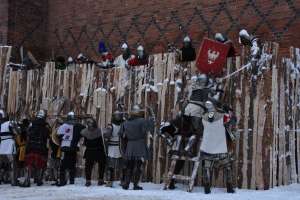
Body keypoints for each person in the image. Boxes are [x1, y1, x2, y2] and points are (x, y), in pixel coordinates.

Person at [200, 101, 236, 194]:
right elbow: (233, 120)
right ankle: (230, 188)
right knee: (227, 167)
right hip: (220, 149)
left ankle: (207, 189)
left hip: (207, 148)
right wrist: (228, 110)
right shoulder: (224, 116)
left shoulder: (203, 117)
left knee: (206, 168)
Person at [119, 105, 154, 190]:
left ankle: (126, 184)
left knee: (129, 166)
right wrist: (151, 114)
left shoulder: (125, 123)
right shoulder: (142, 121)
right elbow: (150, 126)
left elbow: (121, 135)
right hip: (139, 145)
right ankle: (135, 185)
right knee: (138, 166)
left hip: (130, 146)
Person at [22, 110, 51, 187]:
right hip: (41, 147)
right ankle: (39, 180)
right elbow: (48, 136)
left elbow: (27, 134)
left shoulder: (32, 124)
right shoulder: (46, 125)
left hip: (31, 146)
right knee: (40, 164)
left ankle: (27, 181)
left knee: (29, 164)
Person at [56, 111, 85, 186]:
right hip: (73, 148)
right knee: (72, 164)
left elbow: (58, 135)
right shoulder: (78, 126)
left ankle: (62, 180)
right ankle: (71, 181)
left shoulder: (63, 126)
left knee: (63, 165)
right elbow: (84, 132)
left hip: (65, 147)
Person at [80, 118, 106, 187]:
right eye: (89, 123)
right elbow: (84, 142)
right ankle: (88, 180)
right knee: (88, 166)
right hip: (90, 150)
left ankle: (100, 180)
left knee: (102, 165)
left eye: (91, 123)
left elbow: (103, 141)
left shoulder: (99, 131)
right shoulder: (85, 132)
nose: (90, 125)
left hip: (98, 150)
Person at [103, 111, 124, 187]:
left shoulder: (123, 125)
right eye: (116, 116)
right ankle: (110, 182)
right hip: (113, 147)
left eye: (119, 116)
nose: (118, 117)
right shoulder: (111, 126)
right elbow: (106, 135)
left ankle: (123, 181)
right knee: (111, 166)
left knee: (122, 166)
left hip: (120, 147)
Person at [0, 110, 18, 186]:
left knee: (2, 164)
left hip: (2, 145)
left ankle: (2, 179)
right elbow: (17, 132)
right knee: (12, 164)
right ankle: (13, 181)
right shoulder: (9, 123)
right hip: (10, 144)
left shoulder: (0, 125)